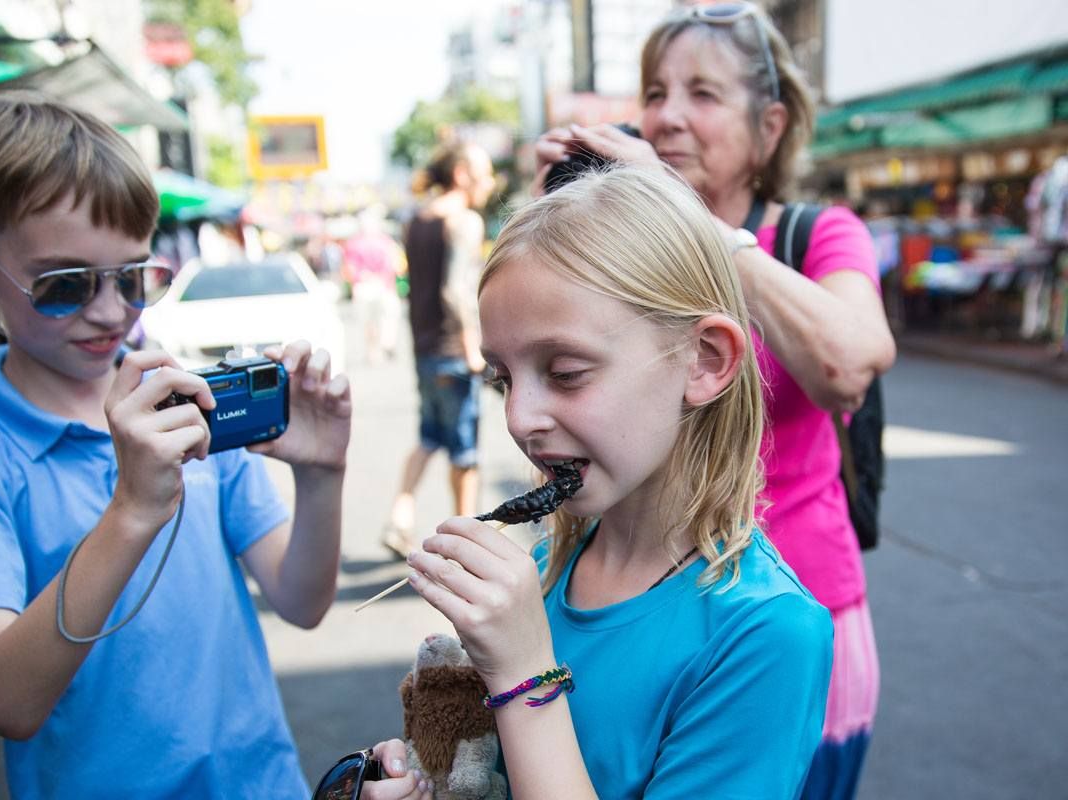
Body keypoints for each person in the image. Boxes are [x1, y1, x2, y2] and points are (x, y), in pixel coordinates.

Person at [0, 91, 352, 799]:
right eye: (64, 285)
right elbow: (5, 702)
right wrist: (132, 508)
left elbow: (301, 598)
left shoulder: (183, 393)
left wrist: (322, 476)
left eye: (134, 278)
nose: (110, 312)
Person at [359, 166, 833, 800]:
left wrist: (525, 674)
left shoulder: (766, 637)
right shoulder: (544, 570)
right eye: (503, 379)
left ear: (705, 361)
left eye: (566, 372)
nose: (519, 419)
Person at [528, 5, 897, 797]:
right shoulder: (628, 242)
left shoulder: (819, 232)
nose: (666, 117)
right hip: (635, 602)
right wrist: (557, 219)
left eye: (702, 93)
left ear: (769, 126)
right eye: (655, 91)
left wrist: (700, 224)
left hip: (789, 615)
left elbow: (850, 364)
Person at [380, 142, 496, 558]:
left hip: (425, 351)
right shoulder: (464, 222)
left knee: (429, 436)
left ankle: (400, 516)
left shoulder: (416, 220)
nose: (490, 182)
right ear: (462, 174)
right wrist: (473, 351)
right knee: (465, 454)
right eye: (484, 173)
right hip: (452, 351)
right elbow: (455, 291)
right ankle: (465, 544)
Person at [342, 206, 406, 364]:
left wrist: (361, 278)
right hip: (384, 285)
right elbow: (396, 265)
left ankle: (373, 352)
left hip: (363, 286)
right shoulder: (386, 241)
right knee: (388, 316)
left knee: (368, 322)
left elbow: (349, 269)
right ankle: (386, 343)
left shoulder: (353, 244)